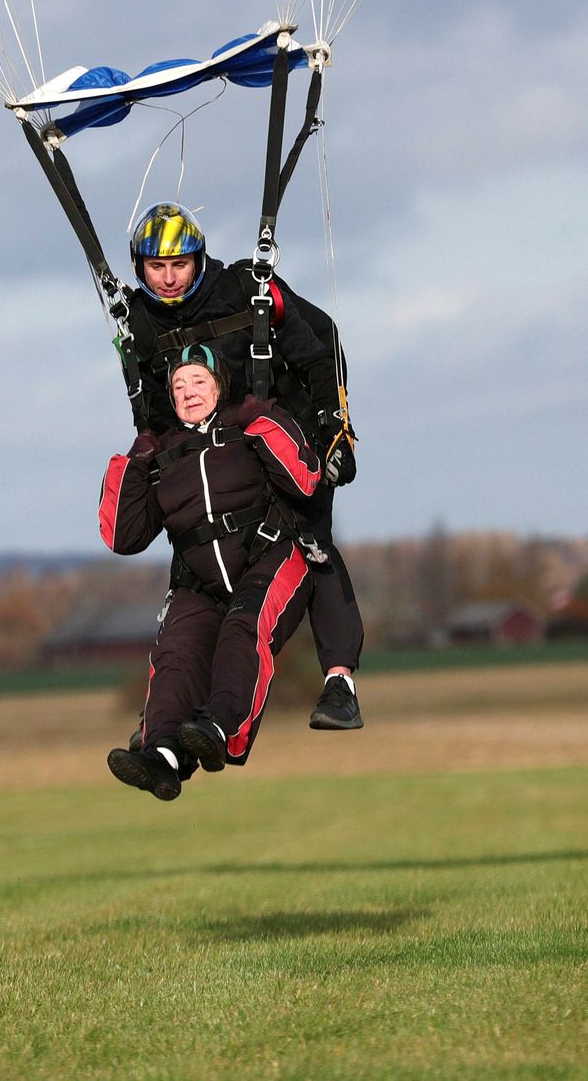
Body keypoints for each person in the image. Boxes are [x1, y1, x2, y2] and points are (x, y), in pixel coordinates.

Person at [121, 201, 364, 731]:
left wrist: (335, 433)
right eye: (155, 268)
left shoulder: (246, 290)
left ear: (198, 260)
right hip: (223, 457)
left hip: (286, 434)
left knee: (311, 543)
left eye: (178, 265)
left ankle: (340, 685)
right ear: (139, 268)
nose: (167, 279)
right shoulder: (138, 322)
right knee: (193, 570)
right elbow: (159, 416)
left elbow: (318, 355)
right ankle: (169, 717)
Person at [101, 345, 321, 800]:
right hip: (200, 581)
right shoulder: (165, 454)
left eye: (198, 381)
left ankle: (219, 726)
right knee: (175, 652)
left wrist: (261, 422)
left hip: (271, 558)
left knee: (243, 628)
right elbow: (123, 537)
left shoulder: (247, 425)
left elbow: (305, 478)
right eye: (179, 386)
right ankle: (161, 754)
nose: (188, 392)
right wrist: (134, 464)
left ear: (218, 385)